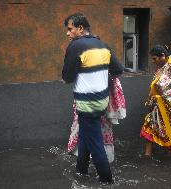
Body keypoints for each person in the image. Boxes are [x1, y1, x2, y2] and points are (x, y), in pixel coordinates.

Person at [62, 13, 124, 183]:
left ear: (80, 28)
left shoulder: (75, 46)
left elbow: (67, 78)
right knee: (85, 134)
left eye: (70, 29)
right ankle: (81, 169)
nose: (67, 33)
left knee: (95, 142)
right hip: (102, 101)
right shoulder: (103, 44)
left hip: (86, 104)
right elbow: (118, 70)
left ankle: (107, 180)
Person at [67, 77, 126, 163]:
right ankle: (102, 158)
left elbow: (68, 75)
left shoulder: (83, 65)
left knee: (84, 126)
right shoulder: (105, 65)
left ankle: (86, 159)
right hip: (102, 95)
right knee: (102, 126)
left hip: (87, 95)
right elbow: (117, 69)